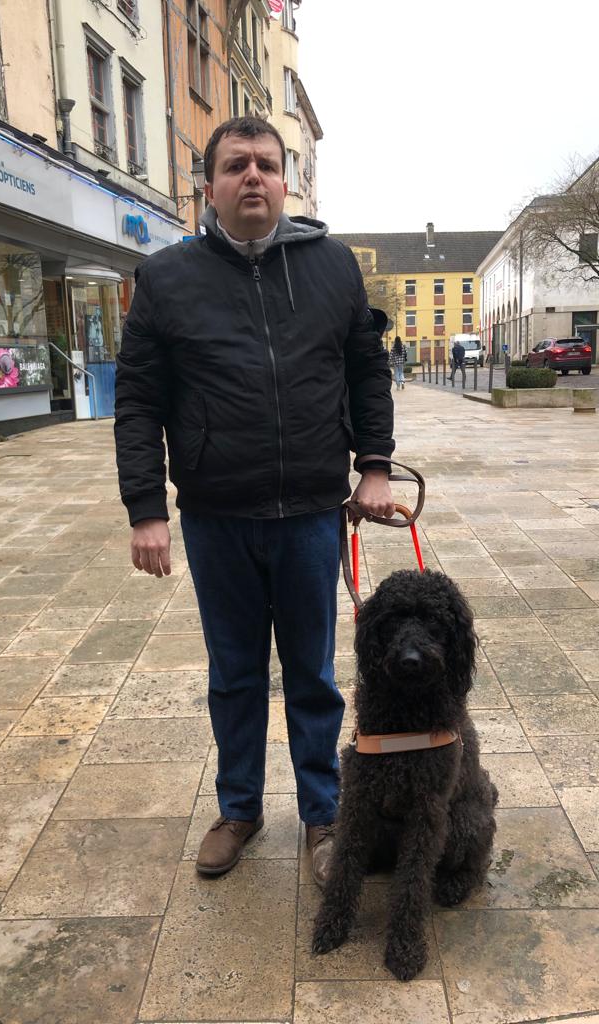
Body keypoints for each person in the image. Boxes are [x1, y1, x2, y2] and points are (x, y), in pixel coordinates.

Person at [114, 116, 395, 887]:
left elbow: (368, 373)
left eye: (266, 165)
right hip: (216, 517)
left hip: (310, 514)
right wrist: (146, 508)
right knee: (234, 675)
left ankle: (323, 816)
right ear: (209, 185)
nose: (252, 177)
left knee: (312, 675)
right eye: (235, 165)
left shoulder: (333, 267)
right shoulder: (166, 279)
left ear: (285, 181)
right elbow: (138, 401)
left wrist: (374, 466)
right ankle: (239, 808)